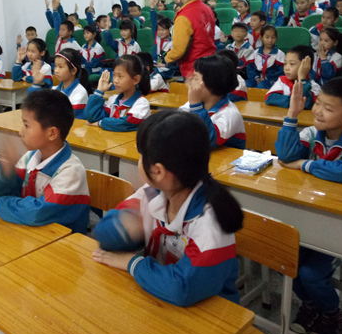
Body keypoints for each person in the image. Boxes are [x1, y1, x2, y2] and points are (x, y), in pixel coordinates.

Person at [93, 109, 244, 306]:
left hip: (212, 311)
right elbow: (103, 233)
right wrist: (123, 229)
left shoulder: (211, 222)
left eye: (141, 156)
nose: (139, 161)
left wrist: (132, 263)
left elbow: (182, 288)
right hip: (159, 297)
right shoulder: (152, 193)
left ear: (158, 171)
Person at [276, 78, 342, 334]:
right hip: (307, 218)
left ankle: (331, 315)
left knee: (310, 274)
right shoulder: (310, 133)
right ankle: (311, 306)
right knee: (287, 261)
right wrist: (292, 114)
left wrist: (305, 165)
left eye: (328, 108)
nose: (318, 111)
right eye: (318, 103)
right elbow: (285, 155)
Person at [0, 89, 90, 233]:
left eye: (27, 126)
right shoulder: (30, 158)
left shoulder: (71, 171)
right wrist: (3, 169)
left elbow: (37, 212)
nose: (21, 132)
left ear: (52, 133)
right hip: (31, 235)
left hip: (63, 242)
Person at [180, 55, 246, 149]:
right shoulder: (193, 104)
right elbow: (177, 127)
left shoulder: (230, 113)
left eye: (196, 78)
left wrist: (196, 105)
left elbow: (205, 141)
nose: (191, 82)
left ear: (211, 83)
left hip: (227, 158)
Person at [164, 0, 216, 78]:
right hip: (211, 65)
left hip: (193, 70)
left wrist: (167, 58)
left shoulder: (183, 16)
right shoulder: (208, 9)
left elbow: (179, 50)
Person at [85, 55, 151, 131]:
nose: (115, 80)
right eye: (114, 75)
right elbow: (92, 117)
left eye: (120, 76)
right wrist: (99, 92)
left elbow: (125, 123)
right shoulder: (113, 100)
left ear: (135, 79)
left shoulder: (142, 103)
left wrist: (100, 123)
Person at [30, 49, 89, 119]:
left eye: (60, 67)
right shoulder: (54, 89)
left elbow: (62, 118)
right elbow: (36, 107)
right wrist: (36, 84)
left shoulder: (80, 93)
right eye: (55, 66)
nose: (56, 71)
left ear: (73, 70)